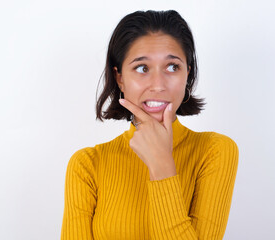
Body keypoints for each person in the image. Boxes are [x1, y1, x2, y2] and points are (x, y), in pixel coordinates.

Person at [61, 10, 239, 240]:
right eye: (142, 68)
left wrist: (162, 164)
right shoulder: (87, 166)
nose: (158, 85)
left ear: (188, 74)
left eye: (172, 67)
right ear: (120, 78)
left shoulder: (214, 151)